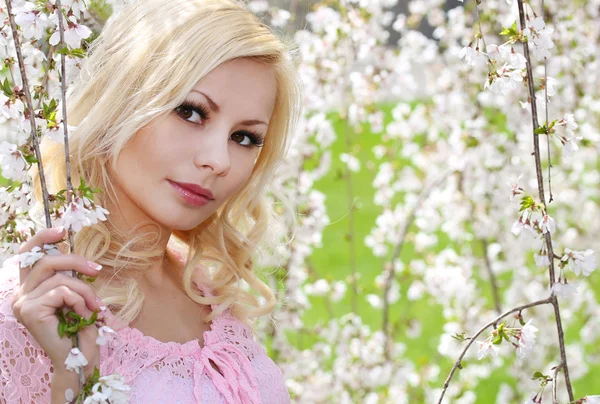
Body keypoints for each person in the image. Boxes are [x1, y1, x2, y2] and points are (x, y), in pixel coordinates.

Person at [0, 0, 302, 402]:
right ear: (120, 100)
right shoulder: (29, 311)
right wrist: (70, 380)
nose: (219, 160)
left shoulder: (207, 294)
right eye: (191, 112)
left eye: (244, 137)